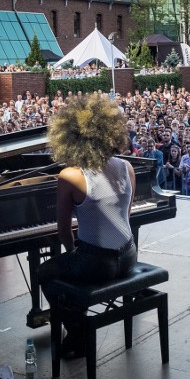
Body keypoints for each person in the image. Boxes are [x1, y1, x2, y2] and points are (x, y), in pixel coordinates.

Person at [37, 94, 137, 358]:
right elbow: (124, 215)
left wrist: (73, 253)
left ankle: (77, 328)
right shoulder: (127, 167)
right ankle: (76, 320)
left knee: (44, 273)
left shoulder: (70, 176)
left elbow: (63, 233)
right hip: (128, 255)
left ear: (71, 139)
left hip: (96, 263)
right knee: (73, 267)